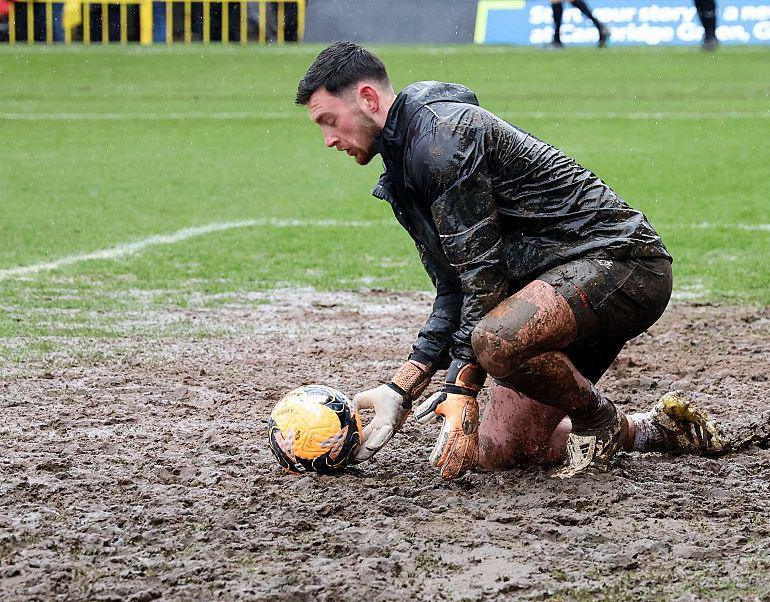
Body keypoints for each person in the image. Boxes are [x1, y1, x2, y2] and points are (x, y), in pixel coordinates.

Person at [291, 42, 730, 480]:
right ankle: (655, 430)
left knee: (496, 340)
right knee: (507, 449)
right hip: (557, 289)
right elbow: (456, 290)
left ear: (368, 98)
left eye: (329, 121)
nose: (329, 139)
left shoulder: (442, 140)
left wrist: (461, 388)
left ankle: (598, 421)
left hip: (623, 262)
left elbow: (484, 284)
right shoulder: (405, 168)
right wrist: (400, 388)